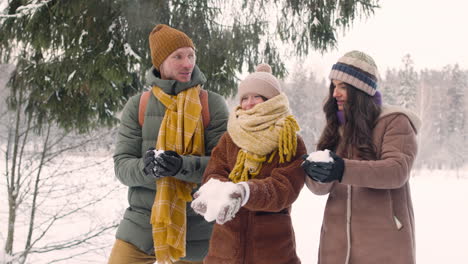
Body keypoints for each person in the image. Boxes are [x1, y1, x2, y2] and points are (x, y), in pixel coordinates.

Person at [109, 24, 229, 264]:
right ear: (160, 62)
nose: (188, 64)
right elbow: (122, 166)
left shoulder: (211, 104)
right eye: (178, 56)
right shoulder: (138, 105)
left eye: (191, 55)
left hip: (198, 225)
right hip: (143, 221)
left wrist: (181, 166)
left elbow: (226, 166)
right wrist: (148, 168)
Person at [301, 50, 421, 264]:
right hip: (335, 246)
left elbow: (396, 171)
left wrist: (342, 170)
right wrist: (316, 174)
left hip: (383, 244)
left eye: (343, 87)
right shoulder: (336, 126)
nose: (335, 93)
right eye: (334, 86)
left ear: (361, 90)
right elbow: (320, 188)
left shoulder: (394, 121)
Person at [191, 63, 307, 264]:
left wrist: (246, 192)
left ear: (272, 101)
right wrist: (215, 191)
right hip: (224, 252)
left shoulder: (290, 140)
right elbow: (215, 171)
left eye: (257, 97)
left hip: (273, 253)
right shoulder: (230, 138)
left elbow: (285, 188)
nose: (248, 103)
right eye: (244, 97)